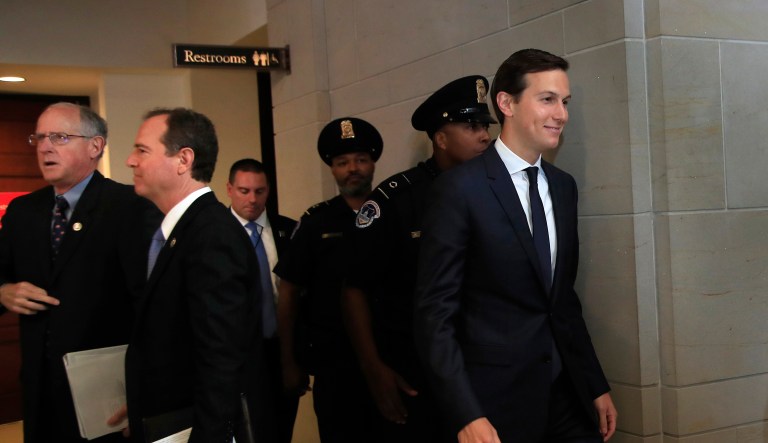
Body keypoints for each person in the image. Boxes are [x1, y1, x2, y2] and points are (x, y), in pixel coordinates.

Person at [414, 49, 618, 443]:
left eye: (565, 101)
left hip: (566, 398)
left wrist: (593, 383)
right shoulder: (459, 189)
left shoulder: (563, 187)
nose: (561, 114)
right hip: (494, 406)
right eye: (547, 99)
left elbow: (561, 302)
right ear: (506, 103)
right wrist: (465, 412)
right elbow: (434, 316)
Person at [342, 75, 496, 442]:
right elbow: (353, 287)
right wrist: (373, 368)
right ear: (440, 138)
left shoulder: (494, 191)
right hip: (413, 370)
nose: (484, 136)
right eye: (470, 126)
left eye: (485, 127)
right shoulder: (396, 200)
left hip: (479, 364)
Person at [0, 102, 156, 443]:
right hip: (39, 391)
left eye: (59, 136)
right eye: (39, 137)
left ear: (95, 146)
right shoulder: (22, 211)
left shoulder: (130, 207)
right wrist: (3, 291)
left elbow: (153, 307)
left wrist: (145, 388)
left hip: (106, 393)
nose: (45, 147)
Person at [122, 108, 262, 442]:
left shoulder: (210, 235)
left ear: (183, 159)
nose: (130, 160)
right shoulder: (180, 230)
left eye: (142, 150)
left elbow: (220, 358)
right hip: (168, 419)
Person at [274, 117, 381, 442]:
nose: (353, 168)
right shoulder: (314, 223)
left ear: (373, 163)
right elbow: (289, 293)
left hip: (387, 357)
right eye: (343, 162)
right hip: (334, 363)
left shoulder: (392, 212)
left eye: (361, 160)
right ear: (332, 169)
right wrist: (289, 361)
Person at [226, 158, 298, 443]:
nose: (252, 199)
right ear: (229, 189)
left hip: (281, 349)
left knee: (282, 429)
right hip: (239, 354)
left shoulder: (289, 230)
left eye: (260, 191)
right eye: (244, 191)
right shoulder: (214, 234)